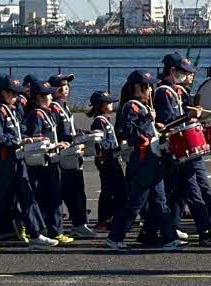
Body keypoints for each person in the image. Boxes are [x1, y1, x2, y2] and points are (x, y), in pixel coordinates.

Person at [0, 76, 56, 250]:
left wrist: (30, 139)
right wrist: (19, 142)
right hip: (4, 160)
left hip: (17, 159)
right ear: (3, 92)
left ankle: (36, 234)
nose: (17, 97)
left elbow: (16, 134)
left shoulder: (10, 109)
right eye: (13, 93)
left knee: (27, 195)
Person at [106, 70, 181, 251]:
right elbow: (131, 133)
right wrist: (149, 119)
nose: (150, 90)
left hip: (152, 158)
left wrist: (157, 127)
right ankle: (115, 237)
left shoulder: (143, 106)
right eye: (147, 86)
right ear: (137, 88)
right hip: (143, 159)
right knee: (136, 202)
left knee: (159, 200)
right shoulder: (130, 107)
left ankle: (170, 238)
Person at [155, 53, 211, 244]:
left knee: (177, 194)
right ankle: (205, 230)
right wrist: (188, 117)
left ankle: (162, 229)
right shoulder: (163, 92)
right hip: (176, 148)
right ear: (172, 71)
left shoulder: (176, 91)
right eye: (183, 72)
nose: (187, 76)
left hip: (181, 149)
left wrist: (193, 116)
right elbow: (167, 123)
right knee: (191, 190)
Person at [23, 81, 72, 245]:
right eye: (48, 94)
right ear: (39, 97)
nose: (52, 96)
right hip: (41, 161)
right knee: (48, 196)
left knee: (53, 196)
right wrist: (52, 145)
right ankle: (51, 230)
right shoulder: (36, 114)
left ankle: (53, 229)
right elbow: (36, 138)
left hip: (51, 159)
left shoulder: (47, 112)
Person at [48, 73, 95, 239]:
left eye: (67, 86)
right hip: (62, 156)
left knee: (76, 191)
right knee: (64, 191)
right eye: (61, 86)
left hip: (73, 155)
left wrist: (87, 134)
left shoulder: (65, 107)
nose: (65, 89)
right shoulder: (53, 108)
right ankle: (58, 226)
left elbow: (73, 130)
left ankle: (79, 223)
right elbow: (55, 133)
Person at [86, 90, 125, 229]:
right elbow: (101, 142)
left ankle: (111, 216)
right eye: (108, 102)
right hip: (106, 159)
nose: (111, 105)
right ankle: (104, 218)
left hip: (111, 157)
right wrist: (115, 148)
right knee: (109, 189)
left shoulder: (105, 119)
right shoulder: (99, 121)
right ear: (100, 105)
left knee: (115, 188)